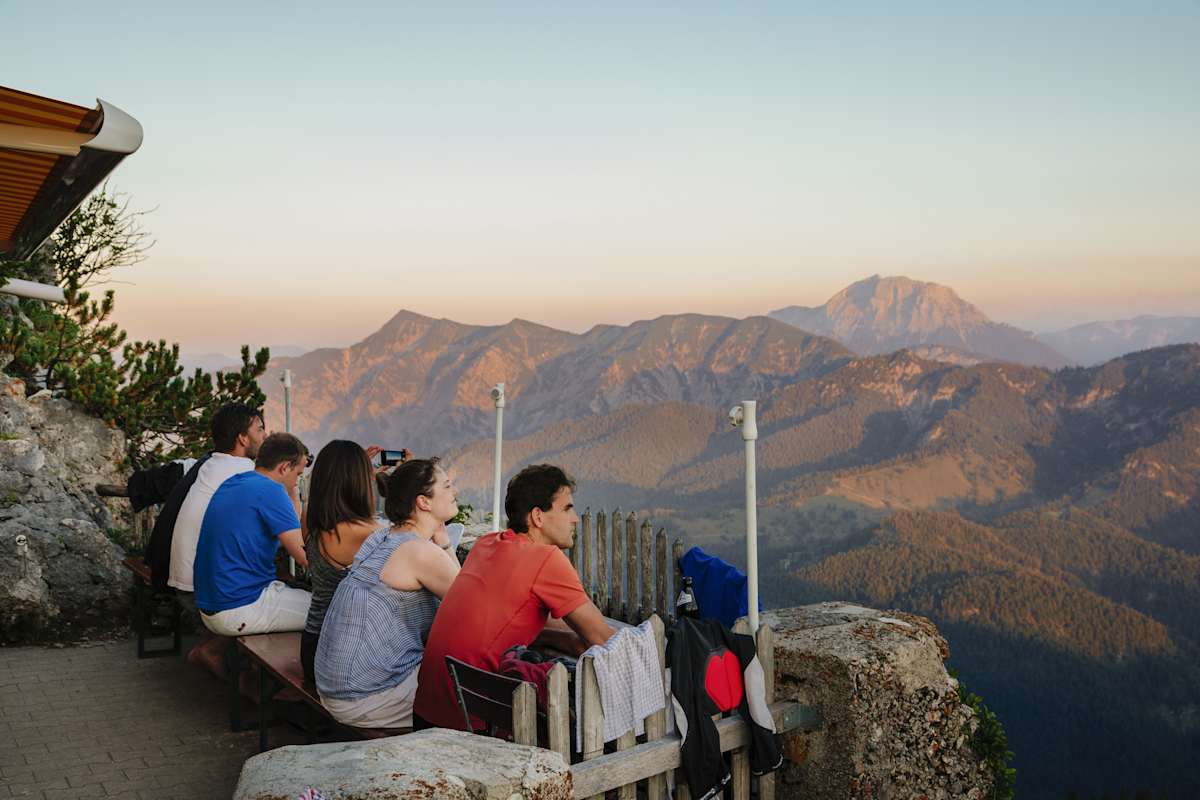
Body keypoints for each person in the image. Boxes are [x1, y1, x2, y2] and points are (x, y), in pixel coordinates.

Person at [414, 463, 615, 730]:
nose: (575, 518)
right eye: (567, 508)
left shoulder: (486, 543)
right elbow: (604, 640)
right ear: (538, 517)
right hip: (471, 723)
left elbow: (509, 616)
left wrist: (566, 638)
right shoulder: (546, 559)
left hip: (426, 711)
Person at [315, 458, 461, 729]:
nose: (455, 493)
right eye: (448, 486)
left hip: (335, 687)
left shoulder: (382, 537)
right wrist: (446, 546)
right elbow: (470, 605)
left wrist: (441, 542)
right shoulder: (419, 552)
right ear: (423, 502)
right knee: (475, 693)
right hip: (366, 698)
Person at [193, 432, 312, 636]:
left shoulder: (234, 482)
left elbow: (288, 528)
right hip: (240, 607)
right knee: (331, 610)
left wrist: (292, 490)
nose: (297, 480)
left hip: (212, 605)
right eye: (298, 474)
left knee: (301, 596)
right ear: (284, 467)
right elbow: (305, 557)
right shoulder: (272, 491)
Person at [299, 440, 386, 686]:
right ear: (361, 482)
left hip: (312, 644)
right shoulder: (372, 533)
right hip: (344, 655)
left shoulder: (310, 519)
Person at [167, 403, 267, 599]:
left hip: (185, 582)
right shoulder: (241, 472)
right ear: (243, 438)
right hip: (204, 591)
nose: (265, 435)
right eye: (260, 429)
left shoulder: (212, 464)